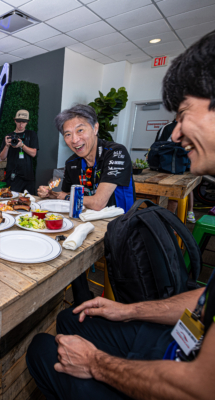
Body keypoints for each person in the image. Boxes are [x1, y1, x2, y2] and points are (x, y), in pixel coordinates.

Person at [26, 17, 215, 400]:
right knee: (70, 315)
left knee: (41, 348)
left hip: (180, 361)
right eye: (67, 135)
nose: (175, 133)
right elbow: (212, 297)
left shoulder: (115, 152)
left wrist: (95, 364)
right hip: (183, 340)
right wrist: (130, 310)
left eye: (184, 113)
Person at [38, 104, 135, 305]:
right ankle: (81, 298)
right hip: (86, 223)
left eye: (80, 130)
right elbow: (65, 199)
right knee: (59, 240)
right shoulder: (72, 163)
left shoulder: (115, 153)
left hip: (122, 228)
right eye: (68, 134)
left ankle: (113, 303)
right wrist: (50, 194)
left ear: (95, 128)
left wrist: (62, 196)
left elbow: (98, 202)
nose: (74, 140)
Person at [151, 120, 196, 223]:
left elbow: (156, 145)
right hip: (173, 163)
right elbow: (158, 145)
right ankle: (184, 214)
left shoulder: (170, 127)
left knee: (185, 186)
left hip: (176, 162)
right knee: (178, 189)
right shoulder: (170, 127)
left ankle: (186, 212)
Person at [0, 109, 39, 194]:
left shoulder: (31, 134)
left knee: (29, 199)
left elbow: (33, 153)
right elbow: (2, 157)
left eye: (23, 122)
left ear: (27, 122)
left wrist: (22, 145)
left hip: (27, 176)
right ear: (15, 121)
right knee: (13, 199)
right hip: (12, 176)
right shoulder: (8, 136)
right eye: (19, 121)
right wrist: (7, 146)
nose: (21, 124)